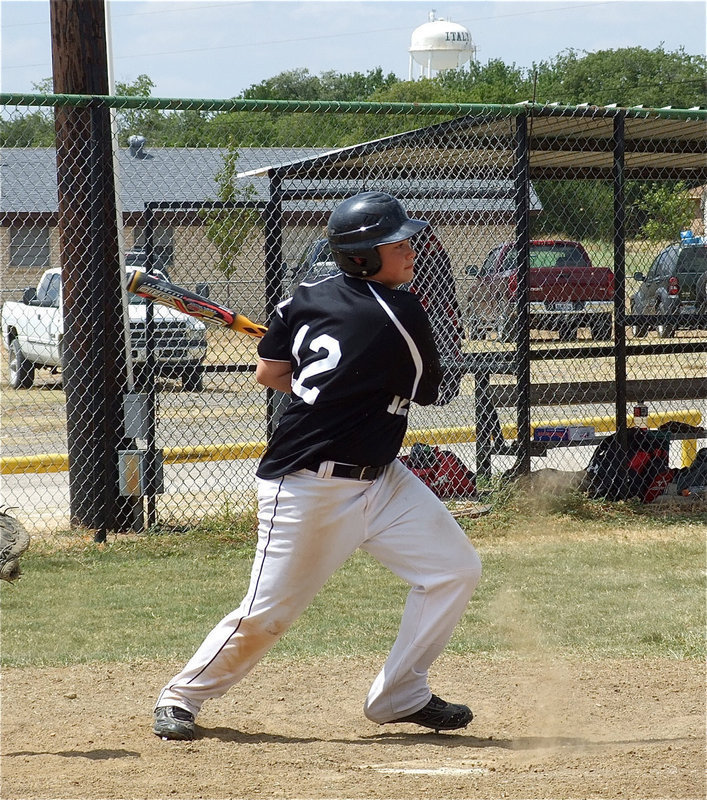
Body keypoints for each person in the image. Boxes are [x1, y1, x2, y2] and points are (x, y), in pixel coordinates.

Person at [152, 191, 482, 741]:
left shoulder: (302, 299)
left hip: (384, 480)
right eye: (396, 243)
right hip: (308, 485)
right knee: (269, 613)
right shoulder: (402, 312)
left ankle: (400, 694)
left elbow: (271, 373)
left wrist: (332, 385)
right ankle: (180, 696)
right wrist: (348, 382)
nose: (410, 249)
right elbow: (433, 392)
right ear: (363, 258)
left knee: (453, 570)